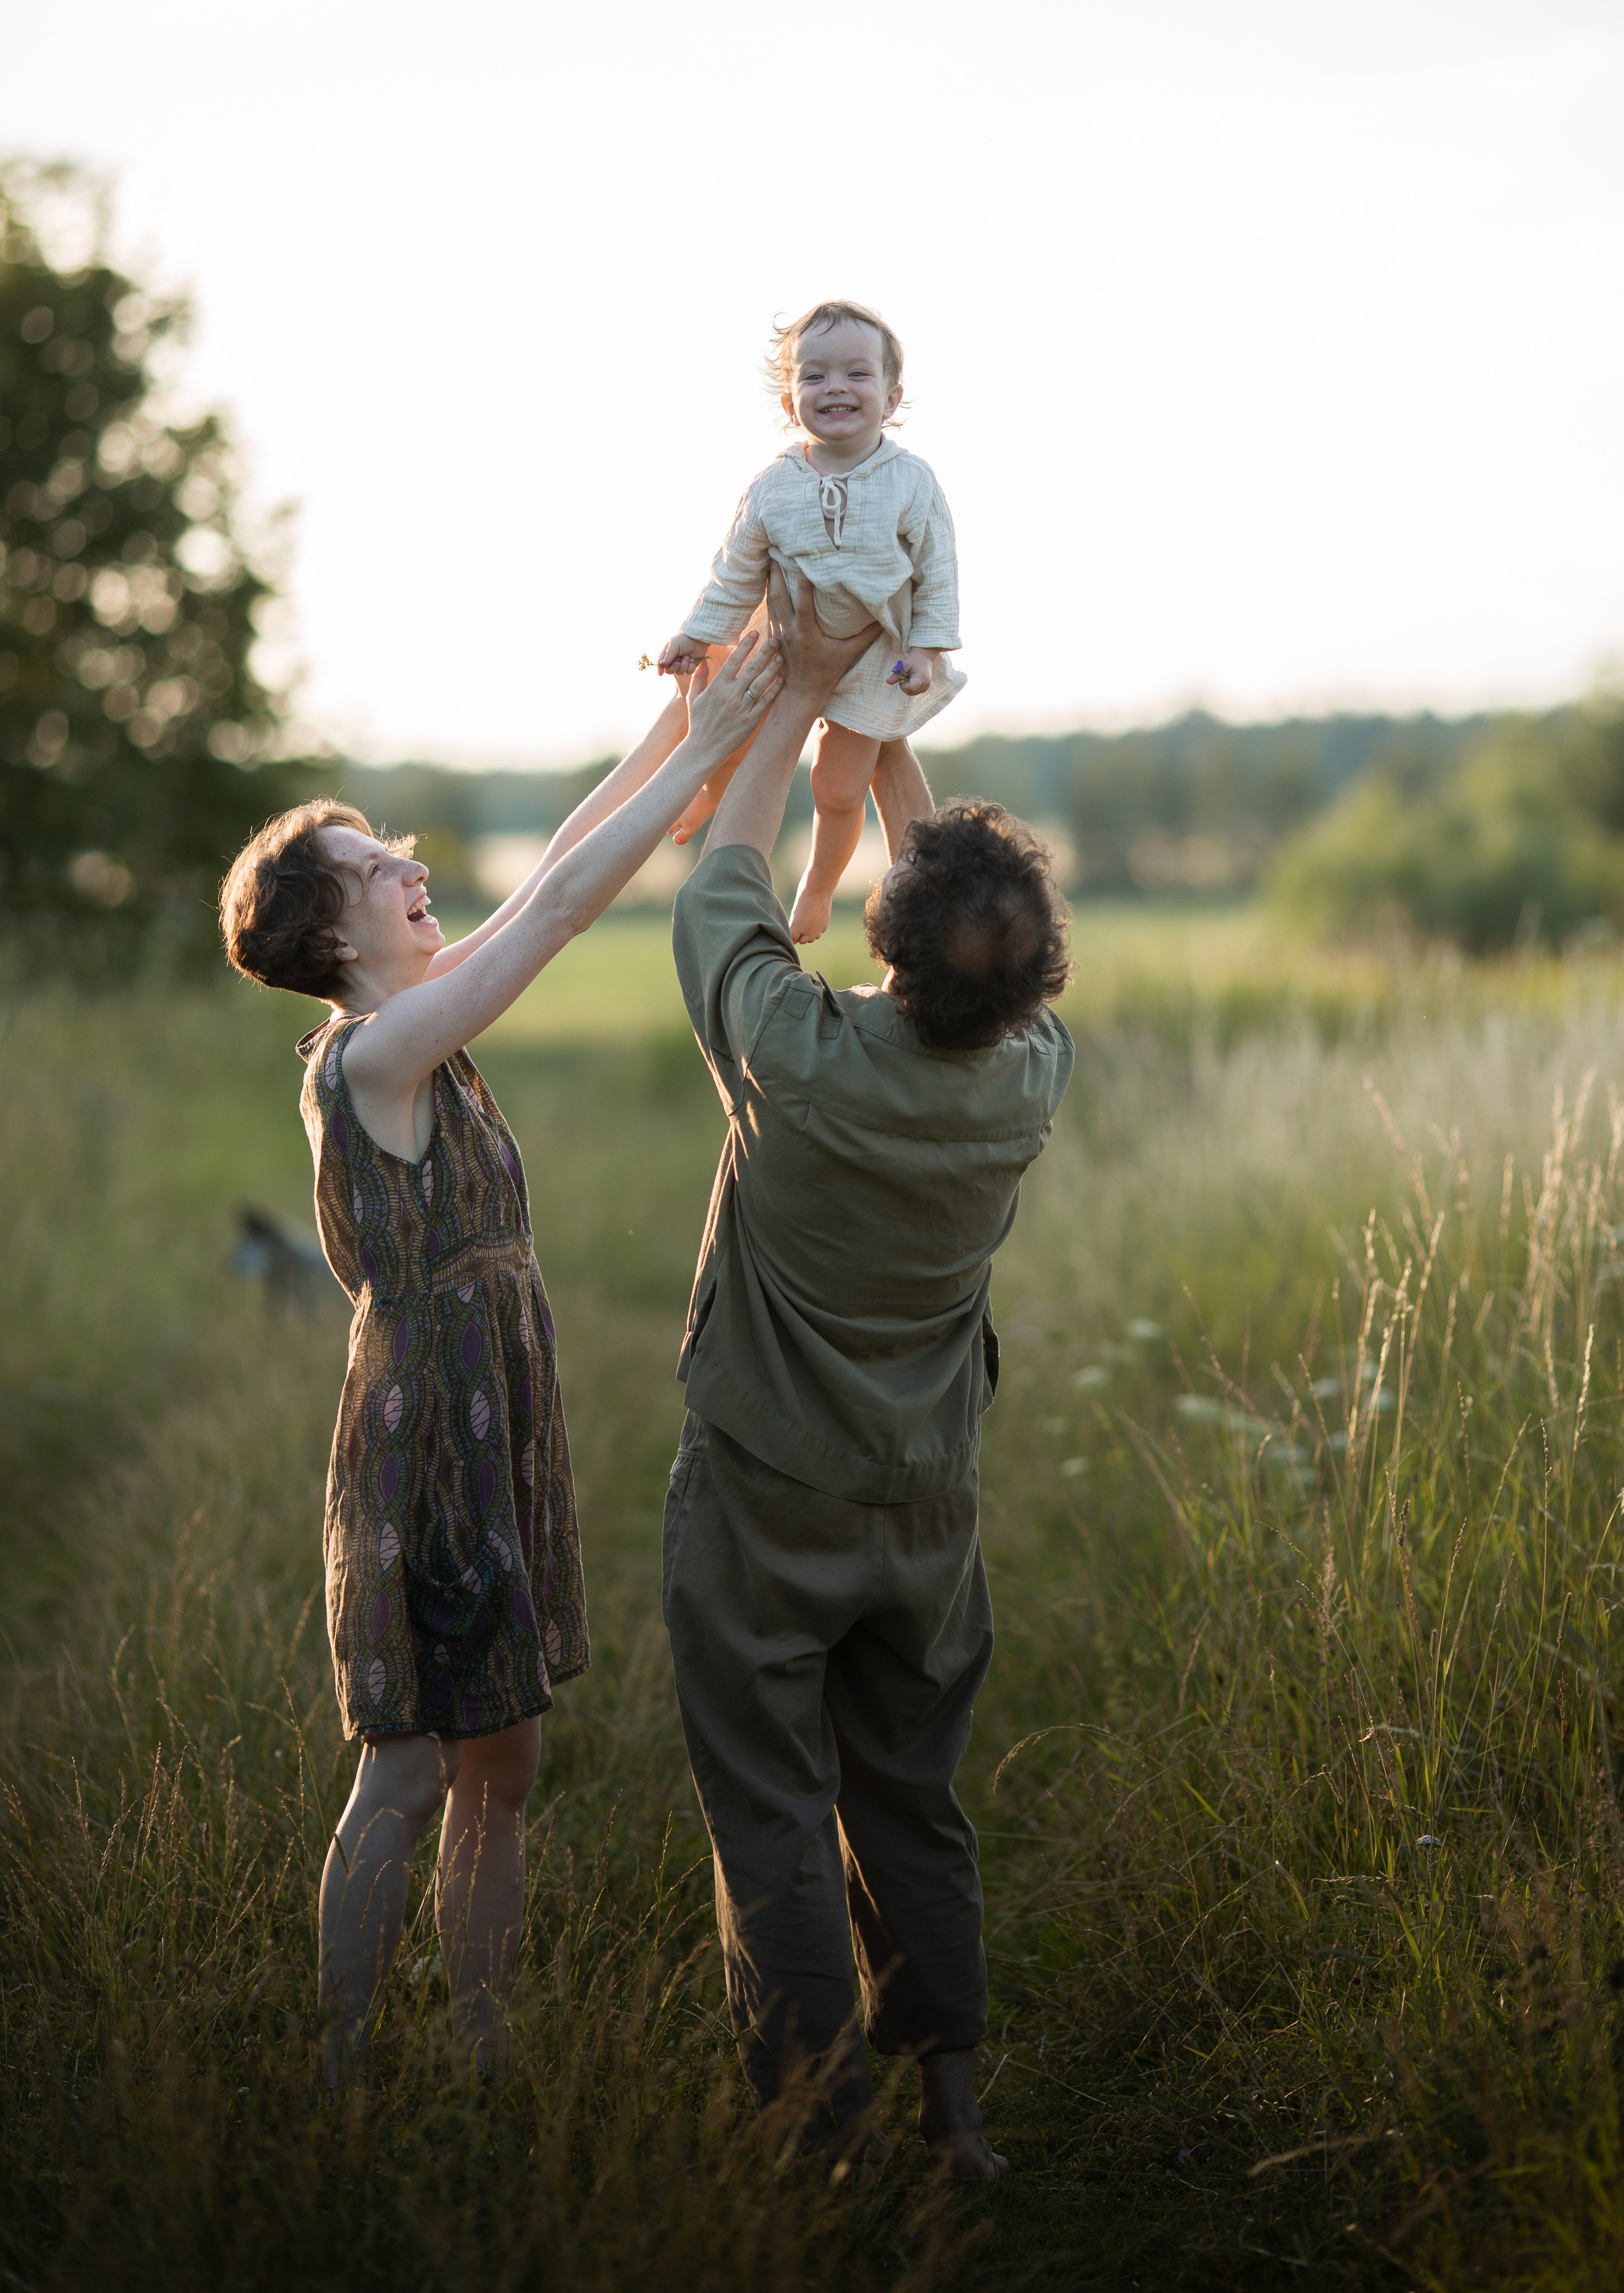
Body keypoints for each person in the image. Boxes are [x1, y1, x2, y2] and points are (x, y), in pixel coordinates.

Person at [216, 638, 781, 2088]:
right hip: (423, 1437)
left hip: (496, 1406)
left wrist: (692, 709)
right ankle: (340, 2066)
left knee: (504, 1765)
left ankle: (482, 2053)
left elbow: (559, 867)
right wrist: (711, 736)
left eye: (394, 847)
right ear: (333, 935)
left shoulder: (418, 1013)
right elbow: (561, 912)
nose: (407, 866)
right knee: (407, 1764)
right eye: (371, 865)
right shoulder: (371, 1055)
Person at [663, 567, 1075, 2179]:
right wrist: (887, 716)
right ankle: (954, 2115)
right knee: (910, 1795)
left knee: (771, 1801)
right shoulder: (1029, 1074)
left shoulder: (793, 1051)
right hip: (924, 1507)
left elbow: (731, 865)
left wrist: (774, 698)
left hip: (766, 1491)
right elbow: (956, 919)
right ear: (1031, 975)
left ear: (890, 939)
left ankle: (818, 2126)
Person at [657, 299, 965, 945]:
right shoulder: (774, 486)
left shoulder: (910, 481)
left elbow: (937, 571)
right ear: (790, 400)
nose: (836, 388)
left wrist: (928, 651)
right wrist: (697, 633)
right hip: (783, 639)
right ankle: (712, 788)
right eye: (815, 375)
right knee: (731, 722)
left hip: (877, 657)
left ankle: (820, 885)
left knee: (838, 784)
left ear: (892, 395)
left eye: (857, 374)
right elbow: (736, 570)